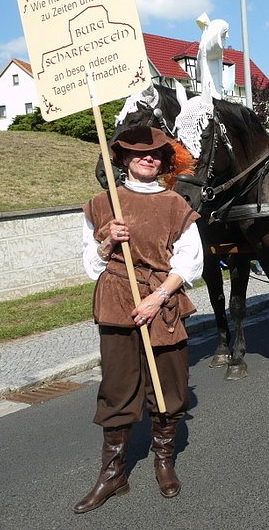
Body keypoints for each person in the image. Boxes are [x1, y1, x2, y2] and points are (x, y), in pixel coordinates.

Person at [75, 125, 203, 514]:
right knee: (117, 388)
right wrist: (108, 241)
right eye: (137, 152)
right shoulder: (101, 204)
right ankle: (113, 473)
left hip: (161, 304)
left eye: (155, 153)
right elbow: (90, 266)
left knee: (170, 387)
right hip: (115, 301)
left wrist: (157, 297)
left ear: (165, 161)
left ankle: (164, 460)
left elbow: (191, 261)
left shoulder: (175, 204)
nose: (147, 157)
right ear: (123, 159)